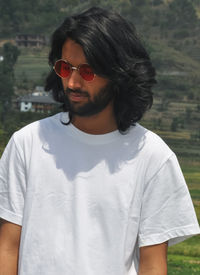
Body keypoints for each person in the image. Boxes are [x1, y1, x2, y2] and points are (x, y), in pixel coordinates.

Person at [0, 7, 199, 275]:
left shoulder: (152, 157)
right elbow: (8, 247)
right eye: (64, 68)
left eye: (87, 71)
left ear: (120, 75)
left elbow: (153, 264)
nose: (72, 82)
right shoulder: (27, 144)